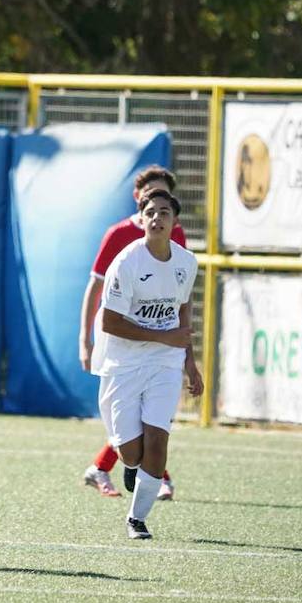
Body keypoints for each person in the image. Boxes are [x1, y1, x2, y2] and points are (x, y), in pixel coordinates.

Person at [92, 190, 201, 540]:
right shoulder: (126, 263)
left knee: (158, 440)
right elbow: (109, 322)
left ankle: (136, 519)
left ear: (174, 221)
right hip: (122, 361)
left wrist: (190, 363)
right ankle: (131, 465)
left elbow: (182, 311)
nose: (156, 218)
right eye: (150, 212)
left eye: (164, 212)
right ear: (141, 219)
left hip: (164, 362)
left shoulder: (187, 262)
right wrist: (162, 337)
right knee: (131, 450)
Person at [79, 165, 187, 500]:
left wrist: (185, 349)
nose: (156, 205)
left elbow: (181, 294)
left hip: (158, 336)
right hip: (119, 337)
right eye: (148, 195)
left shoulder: (175, 235)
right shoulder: (118, 235)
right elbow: (94, 288)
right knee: (126, 410)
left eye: (163, 197)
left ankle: (120, 469)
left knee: (151, 411)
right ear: (137, 198)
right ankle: (136, 471)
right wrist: (85, 340)